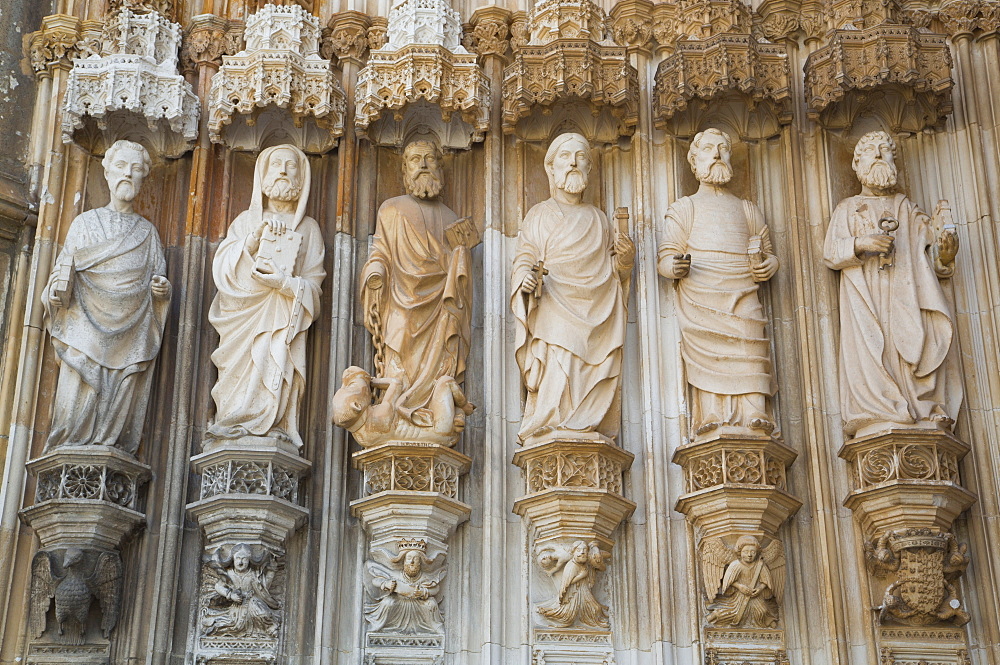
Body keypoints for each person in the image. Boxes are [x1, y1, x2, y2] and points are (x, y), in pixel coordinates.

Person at [823, 130, 961, 437]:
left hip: (906, 292)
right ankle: (879, 410)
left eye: (885, 152)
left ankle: (919, 407)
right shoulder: (848, 207)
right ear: (857, 165)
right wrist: (861, 243)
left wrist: (945, 252)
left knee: (911, 345)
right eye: (871, 152)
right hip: (867, 294)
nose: (879, 157)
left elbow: (934, 257)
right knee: (875, 348)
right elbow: (831, 253)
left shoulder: (907, 208)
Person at [42, 139, 170, 453]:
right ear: (107, 173)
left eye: (136, 169)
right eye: (121, 166)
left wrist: (161, 293)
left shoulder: (147, 232)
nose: (128, 174)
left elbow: (158, 279)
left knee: (121, 388)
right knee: (79, 394)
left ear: (142, 179)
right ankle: (72, 446)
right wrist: (56, 294)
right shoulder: (84, 223)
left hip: (131, 329)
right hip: (84, 324)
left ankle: (109, 447)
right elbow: (62, 274)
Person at [510, 133, 634, 444]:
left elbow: (613, 271)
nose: (574, 163)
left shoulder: (599, 219)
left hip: (596, 309)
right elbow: (526, 254)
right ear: (550, 169)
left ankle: (587, 424)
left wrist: (626, 261)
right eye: (566, 157)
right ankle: (551, 423)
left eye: (581, 157)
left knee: (588, 371)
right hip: (553, 307)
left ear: (590, 170)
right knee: (557, 370)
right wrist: (524, 276)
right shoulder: (539, 214)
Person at [658, 128, 778, 437]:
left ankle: (754, 410)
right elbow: (666, 257)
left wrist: (768, 265)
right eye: (709, 149)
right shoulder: (685, 208)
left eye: (723, 149)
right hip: (702, 291)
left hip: (743, 290)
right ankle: (710, 411)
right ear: (694, 161)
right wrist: (676, 266)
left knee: (749, 346)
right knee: (709, 355)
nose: (717, 154)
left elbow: (767, 253)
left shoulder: (747, 209)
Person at [208, 144, 325, 450]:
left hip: (281, 323)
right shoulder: (246, 221)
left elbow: (314, 287)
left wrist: (285, 284)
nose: (284, 171)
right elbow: (222, 271)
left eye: (291, 166)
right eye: (276, 165)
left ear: (302, 178)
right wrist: (252, 240)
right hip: (242, 324)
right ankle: (234, 422)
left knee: (274, 372)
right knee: (240, 380)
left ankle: (274, 425)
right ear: (263, 175)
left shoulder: (309, 229)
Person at [360, 140, 478, 425]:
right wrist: (375, 272)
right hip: (401, 303)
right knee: (398, 362)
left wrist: (461, 254)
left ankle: (434, 414)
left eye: (429, 159)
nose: (423, 165)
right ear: (404, 169)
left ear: (440, 167)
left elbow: (458, 274)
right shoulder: (392, 209)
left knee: (439, 367)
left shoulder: (451, 217)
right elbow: (380, 251)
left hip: (440, 308)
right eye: (415, 159)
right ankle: (399, 414)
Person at [201, 543, 280, 638]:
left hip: (253, 604)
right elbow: (218, 586)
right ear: (233, 559)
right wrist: (230, 594)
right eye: (238, 558)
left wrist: (272, 570)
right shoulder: (229, 573)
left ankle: (266, 630)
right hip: (236, 608)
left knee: (264, 614)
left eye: (244, 559)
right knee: (229, 624)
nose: (241, 562)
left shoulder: (253, 574)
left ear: (250, 560)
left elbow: (264, 587)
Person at [706, 536, 778, 628]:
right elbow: (728, 581)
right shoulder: (736, 565)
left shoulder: (760, 566)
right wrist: (740, 587)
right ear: (740, 553)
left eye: (753, 552)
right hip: (739, 596)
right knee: (734, 612)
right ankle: (715, 615)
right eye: (746, 552)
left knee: (762, 611)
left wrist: (760, 589)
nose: (749, 555)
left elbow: (766, 580)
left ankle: (768, 620)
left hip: (755, 596)